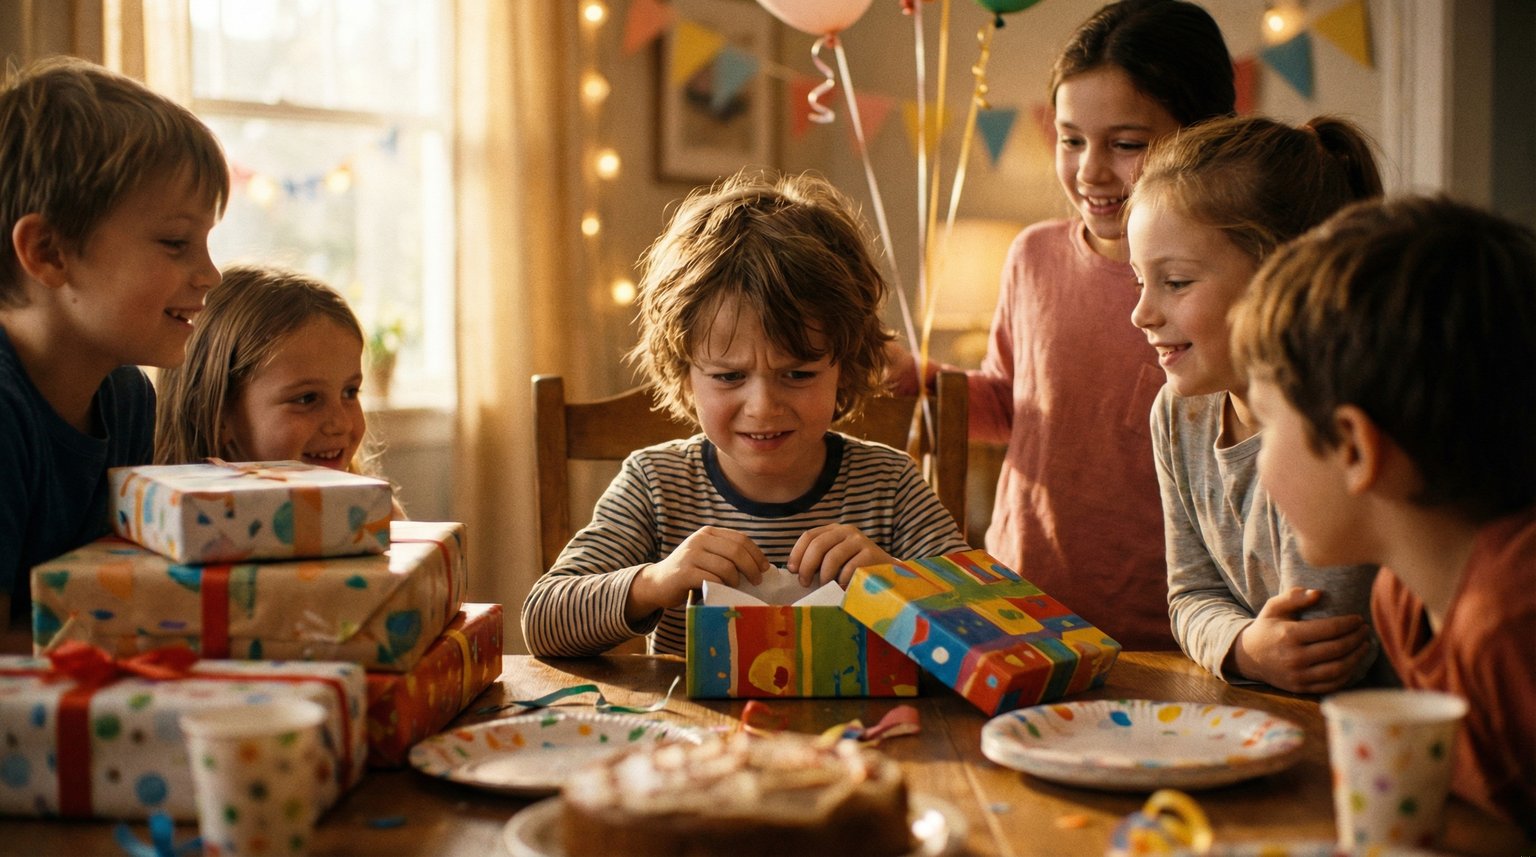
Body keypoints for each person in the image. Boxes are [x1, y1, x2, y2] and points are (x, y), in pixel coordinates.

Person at [890, 0, 1235, 650]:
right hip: (1017, 615)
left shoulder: (1224, 284)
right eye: (1070, 139)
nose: (1090, 170)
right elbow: (1010, 405)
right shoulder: (1034, 255)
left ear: (1201, 136)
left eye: (1127, 144)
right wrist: (923, 377)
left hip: (1166, 634)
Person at [522, 171, 969, 657]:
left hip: (861, 731)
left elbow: (987, 620)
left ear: (846, 364)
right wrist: (654, 582)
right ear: (684, 371)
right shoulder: (657, 484)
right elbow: (543, 618)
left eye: (797, 375)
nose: (762, 407)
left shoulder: (889, 485)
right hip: (696, 731)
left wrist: (896, 583)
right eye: (728, 377)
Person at [1231, 196, 1536, 831]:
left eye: (1266, 424)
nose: (1256, 461)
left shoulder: (1514, 617)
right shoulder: (1400, 600)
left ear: (1354, 448)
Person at [1126, 115, 1385, 693]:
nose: (1141, 313)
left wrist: (1274, 653)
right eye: (1138, 280)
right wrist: (1244, 648)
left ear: (1279, 276)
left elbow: (1327, 642)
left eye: (1176, 282)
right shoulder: (1176, 414)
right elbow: (1189, 594)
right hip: (1269, 708)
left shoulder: (1329, 419)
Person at [0, 57, 227, 642]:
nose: (210, 274)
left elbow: (111, 593)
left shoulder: (127, 395)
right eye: (176, 243)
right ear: (49, 252)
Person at [154, 264, 376, 477]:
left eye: (350, 392)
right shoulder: (173, 513)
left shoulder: (374, 512)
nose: (342, 423)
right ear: (220, 415)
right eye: (307, 398)